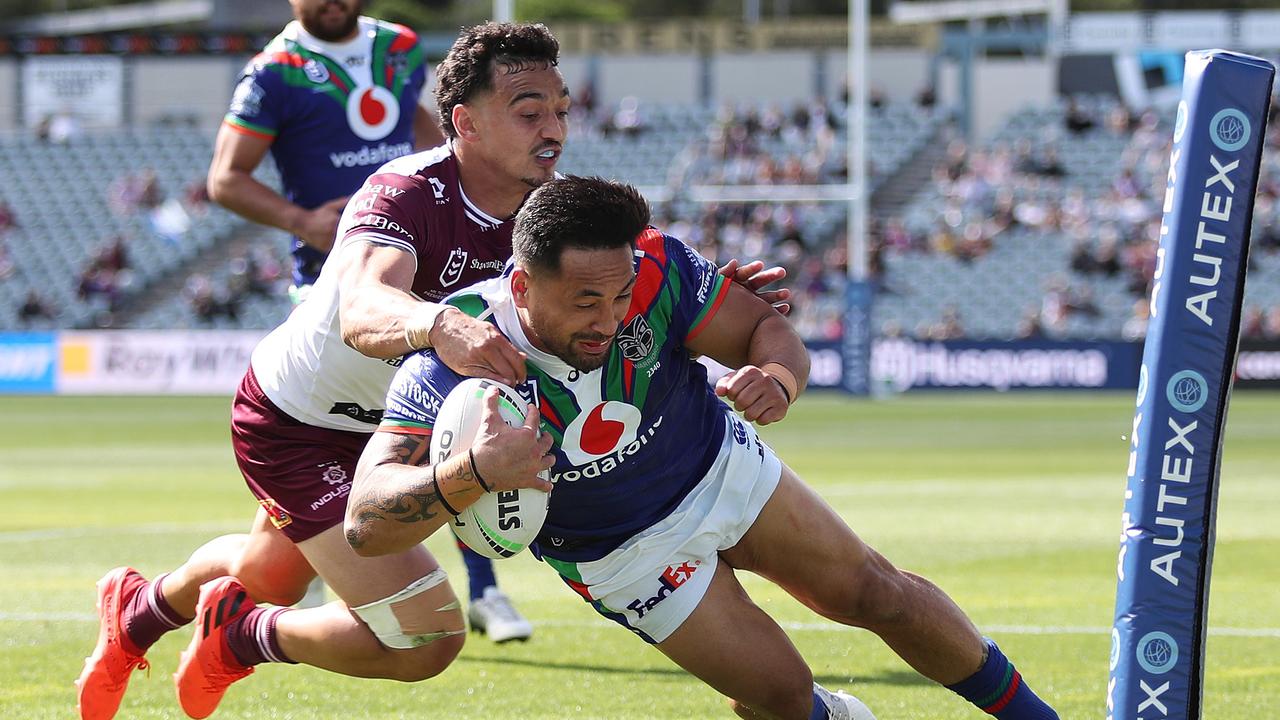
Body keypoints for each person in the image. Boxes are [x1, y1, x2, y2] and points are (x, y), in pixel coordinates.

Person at [75, 20, 787, 720]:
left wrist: (697, 300)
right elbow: (362, 305)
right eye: (529, 111)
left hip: (409, 423)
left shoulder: (555, 207)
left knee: (268, 577)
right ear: (464, 123)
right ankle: (239, 634)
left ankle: (149, 615)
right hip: (306, 424)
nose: (555, 129)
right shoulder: (408, 191)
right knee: (426, 637)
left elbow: (617, 292)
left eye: (562, 110)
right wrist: (438, 322)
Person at [346, 176, 1061, 720]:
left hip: (720, 467)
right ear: (524, 284)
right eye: (585, 302)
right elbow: (366, 523)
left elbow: (767, 332)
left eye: (620, 296)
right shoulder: (449, 361)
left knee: (878, 593)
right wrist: (470, 473)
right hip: (621, 554)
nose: (609, 318)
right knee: (781, 696)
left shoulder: (658, 266)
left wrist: (778, 379)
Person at [205, 0, 526, 640]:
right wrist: (301, 221)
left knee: (450, 417)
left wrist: (454, 201)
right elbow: (224, 178)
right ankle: (329, 575)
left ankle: (484, 590)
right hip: (330, 280)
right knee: (278, 570)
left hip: (422, 262)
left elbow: (434, 138)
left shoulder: (401, 48)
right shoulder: (275, 71)